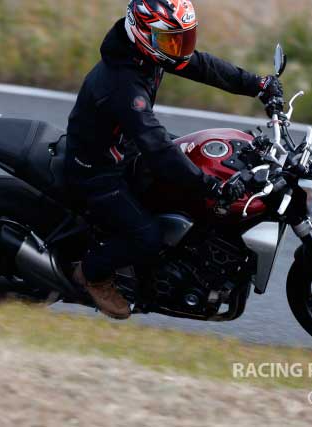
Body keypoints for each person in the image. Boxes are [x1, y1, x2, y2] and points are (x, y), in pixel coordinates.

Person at [65, 0, 283, 319]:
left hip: (128, 147)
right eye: (172, 41)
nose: (180, 48)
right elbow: (156, 147)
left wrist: (257, 85)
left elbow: (202, 65)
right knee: (148, 236)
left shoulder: (148, 53)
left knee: (195, 159)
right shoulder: (123, 84)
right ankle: (91, 274)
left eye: (184, 38)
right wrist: (210, 186)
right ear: (143, 33)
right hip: (97, 170)